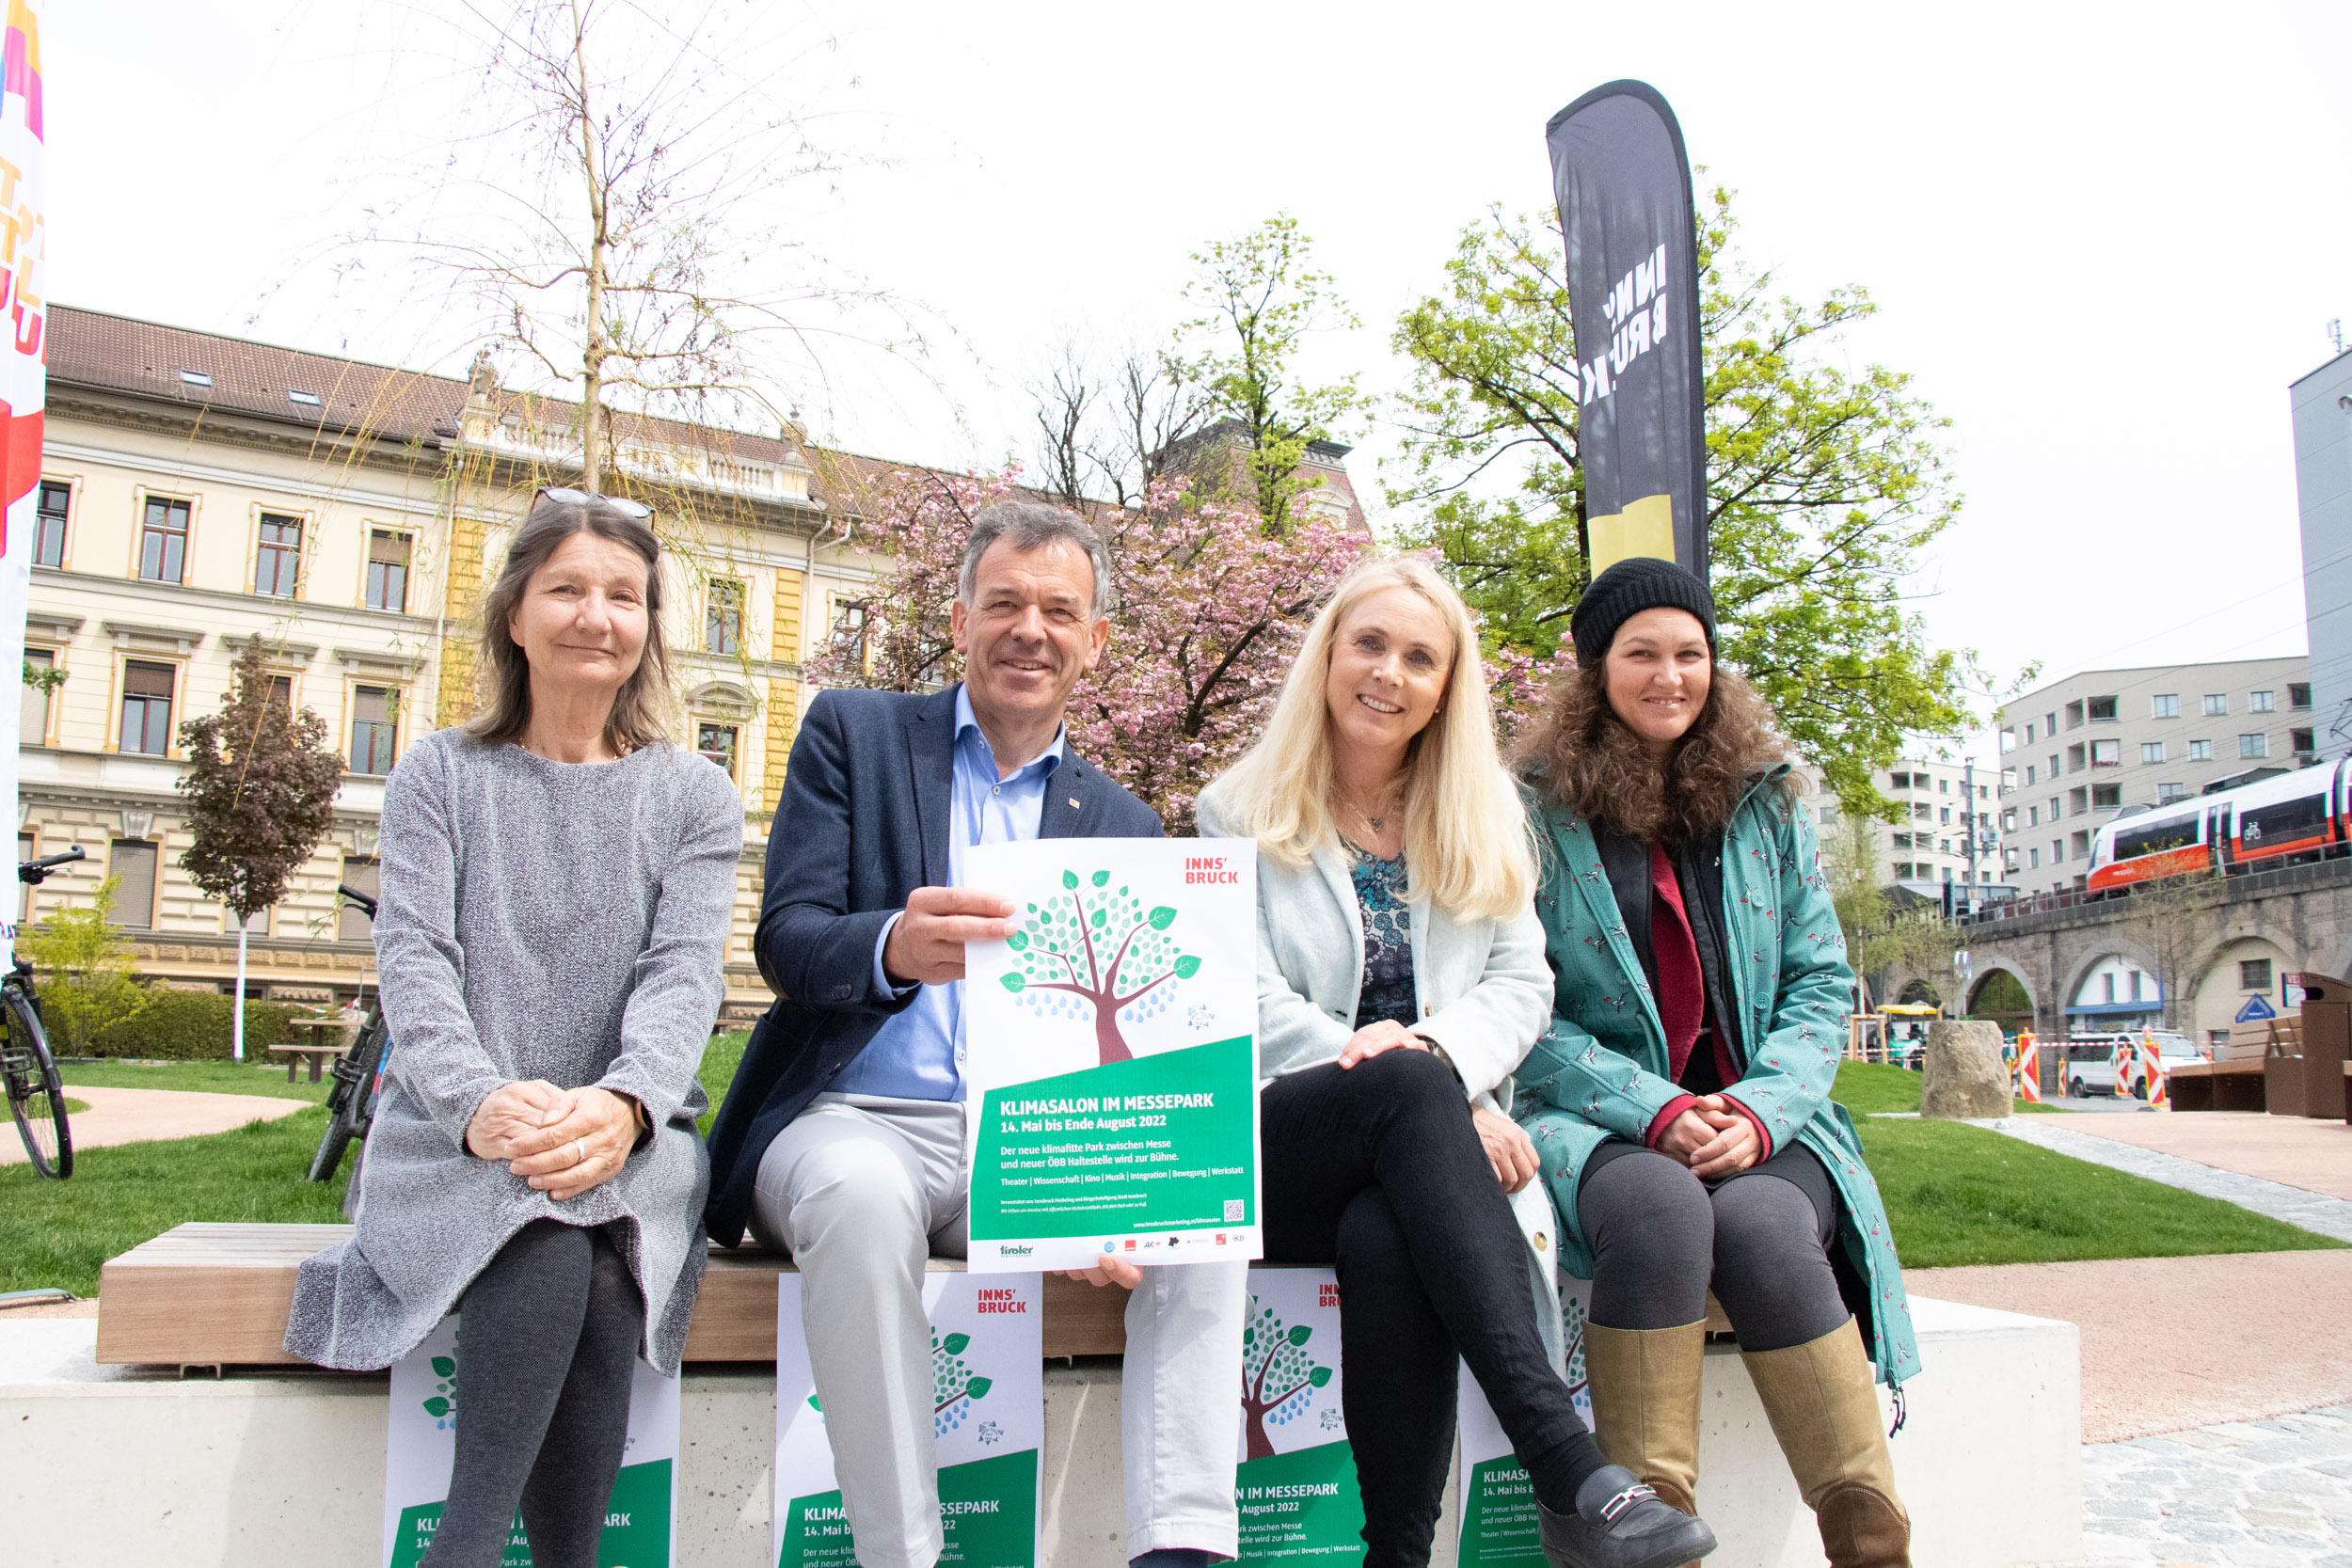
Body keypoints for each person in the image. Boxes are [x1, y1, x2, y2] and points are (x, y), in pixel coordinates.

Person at [704, 502, 1248, 1568]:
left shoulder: (1126, 821)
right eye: (1003, 602)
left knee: (1209, 1218)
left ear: (1095, 642)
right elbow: (786, 939)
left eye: (1058, 609)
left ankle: (1181, 1544)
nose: (1028, 628)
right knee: (860, 1200)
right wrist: (893, 945)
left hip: (1029, 1142)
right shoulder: (852, 734)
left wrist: (1123, 1186)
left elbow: (1122, 1032)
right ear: (960, 619)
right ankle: (902, 1554)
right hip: (851, 1117)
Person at [1196, 556, 1715, 1568]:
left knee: (1390, 1228)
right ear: (1329, 656)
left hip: (1420, 1157)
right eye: (1370, 644)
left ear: (1446, 686)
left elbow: (1523, 986)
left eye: (1420, 657)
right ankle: (1566, 1461)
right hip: (1272, 1141)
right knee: (1397, 1086)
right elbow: (1242, 999)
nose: (1389, 672)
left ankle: (1397, 1554)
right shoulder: (1237, 813)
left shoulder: (1483, 820)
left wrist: (1432, 1070)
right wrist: (1416, 1079)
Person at [287, 489, 743, 1568]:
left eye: (623, 595)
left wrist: (624, 1103)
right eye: (568, 589)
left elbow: (684, 975)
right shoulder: (440, 774)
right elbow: (415, 962)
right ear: (515, 614)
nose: (597, 615)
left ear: (648, 624)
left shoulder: (694, 794)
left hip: (623, 1131)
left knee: (586, 1210)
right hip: (452, 1135)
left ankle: (473, 1544)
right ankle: (484, 1544)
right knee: (558, 1228)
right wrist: (483, 1102)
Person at [1512, 556, 1921, 1568]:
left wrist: (1757, 1108)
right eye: (1640, 652)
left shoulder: (1767, 800)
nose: (1669, 674)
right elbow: (1519, 1001)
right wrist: (1655, 1109)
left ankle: (1873, 1542)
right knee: (1659, 1209)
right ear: (1595, 667)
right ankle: (1651, 1542)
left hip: (1764, 1115)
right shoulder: (1528, 809)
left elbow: (1821, 985)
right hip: (1596, 1114)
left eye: (1689, 652)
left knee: (1764, 1221)